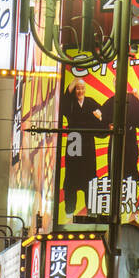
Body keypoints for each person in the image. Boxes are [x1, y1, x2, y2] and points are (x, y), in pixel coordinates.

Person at [60, 77, 103, 216]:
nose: (80, 91)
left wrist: (99, 116)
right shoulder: (70, 103)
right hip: (74, 141)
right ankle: (69, 210)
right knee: (72, 175)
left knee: (90, 176)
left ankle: (91, 210)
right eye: (78, 88)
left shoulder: (90, 102)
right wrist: (73, 82)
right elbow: (64, 100)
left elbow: (103, 112)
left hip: (87, 141)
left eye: (82, 88)